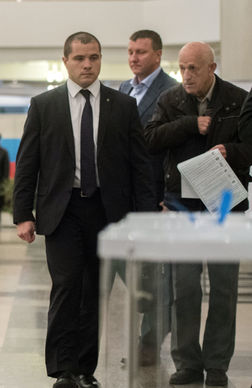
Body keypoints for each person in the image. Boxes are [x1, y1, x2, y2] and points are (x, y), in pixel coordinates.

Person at [13, 32, 154, 388]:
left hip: (107, 211)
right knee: (66, 284)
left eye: (93, 57)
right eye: (79, 58)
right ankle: (63, 368)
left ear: (101, 59)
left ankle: (84, 369)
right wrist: (22, 214)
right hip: (62, 209)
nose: (87, 64)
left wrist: (145, 216)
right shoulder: (44, 105)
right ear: (65, 62)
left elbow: (140, 165)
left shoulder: (122, 106)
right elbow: (27, 163)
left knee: (94, 290)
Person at [145, 42, 251, 387]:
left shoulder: (239, 99)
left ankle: (217, 365)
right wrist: (191, 124)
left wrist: (229, 151)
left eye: (193, 69)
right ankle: (187, 363)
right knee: (184, 286)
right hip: (182, 206)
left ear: (212, 68)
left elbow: (251, 147)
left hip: (225, 206)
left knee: (224, 288)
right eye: (182, 68)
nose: (186, 76)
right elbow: (149, 139)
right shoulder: (171, 100)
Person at [118, 29, 179, 366]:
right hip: (128, 197)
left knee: (158, 275)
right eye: (130, 51)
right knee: (137, 273)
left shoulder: (171, 91)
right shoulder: (125, 88)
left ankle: (149, 342)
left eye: (140, 52)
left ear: (157, 54)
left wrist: (165, 195)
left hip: (157, 195)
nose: (133, 58)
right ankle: (147, 336)